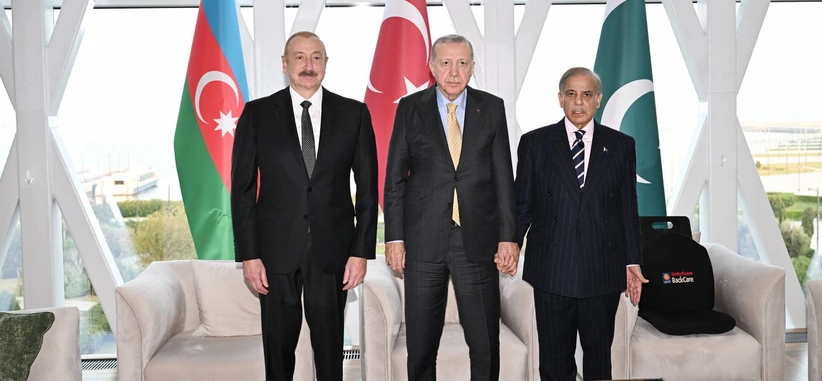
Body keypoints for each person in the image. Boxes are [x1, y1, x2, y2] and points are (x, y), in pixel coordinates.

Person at [231, 31, 378, 381]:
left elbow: (368, 191)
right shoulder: (256, 114)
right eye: (299, 57)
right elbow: (242, 191)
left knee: (329, 352)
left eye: (316, 57)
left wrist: (360, 253)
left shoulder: (354, 114)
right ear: (285, 64)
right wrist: (249, 256)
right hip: (274, 251)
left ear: (326, 63)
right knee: (278, 351)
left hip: (333, 252)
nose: (308, 65)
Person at [383, 34, 519, 381]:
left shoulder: (491, 108)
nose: (454, 72)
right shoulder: (410, 108)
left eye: (462, 63)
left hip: (477, 242)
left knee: (485, 345)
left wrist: (508, 237)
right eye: (446, 63)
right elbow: (395, 178)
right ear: (432, 66)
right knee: (421, 346)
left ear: (472, 67)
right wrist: (394, 238)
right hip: (423, 241)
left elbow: (504, 178)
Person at [515, 67, 647, 381]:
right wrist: (510, 244)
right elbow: (522, 206)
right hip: (551, 270)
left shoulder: (620, 145)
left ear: (598, 99)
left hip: (602, 270)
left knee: (599, 359)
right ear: (560, 98)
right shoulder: (535, 143)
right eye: (571, 94)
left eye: (587, 94)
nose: (578, 102)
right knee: (554, 361)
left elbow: (627, 209)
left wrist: (632, 261)